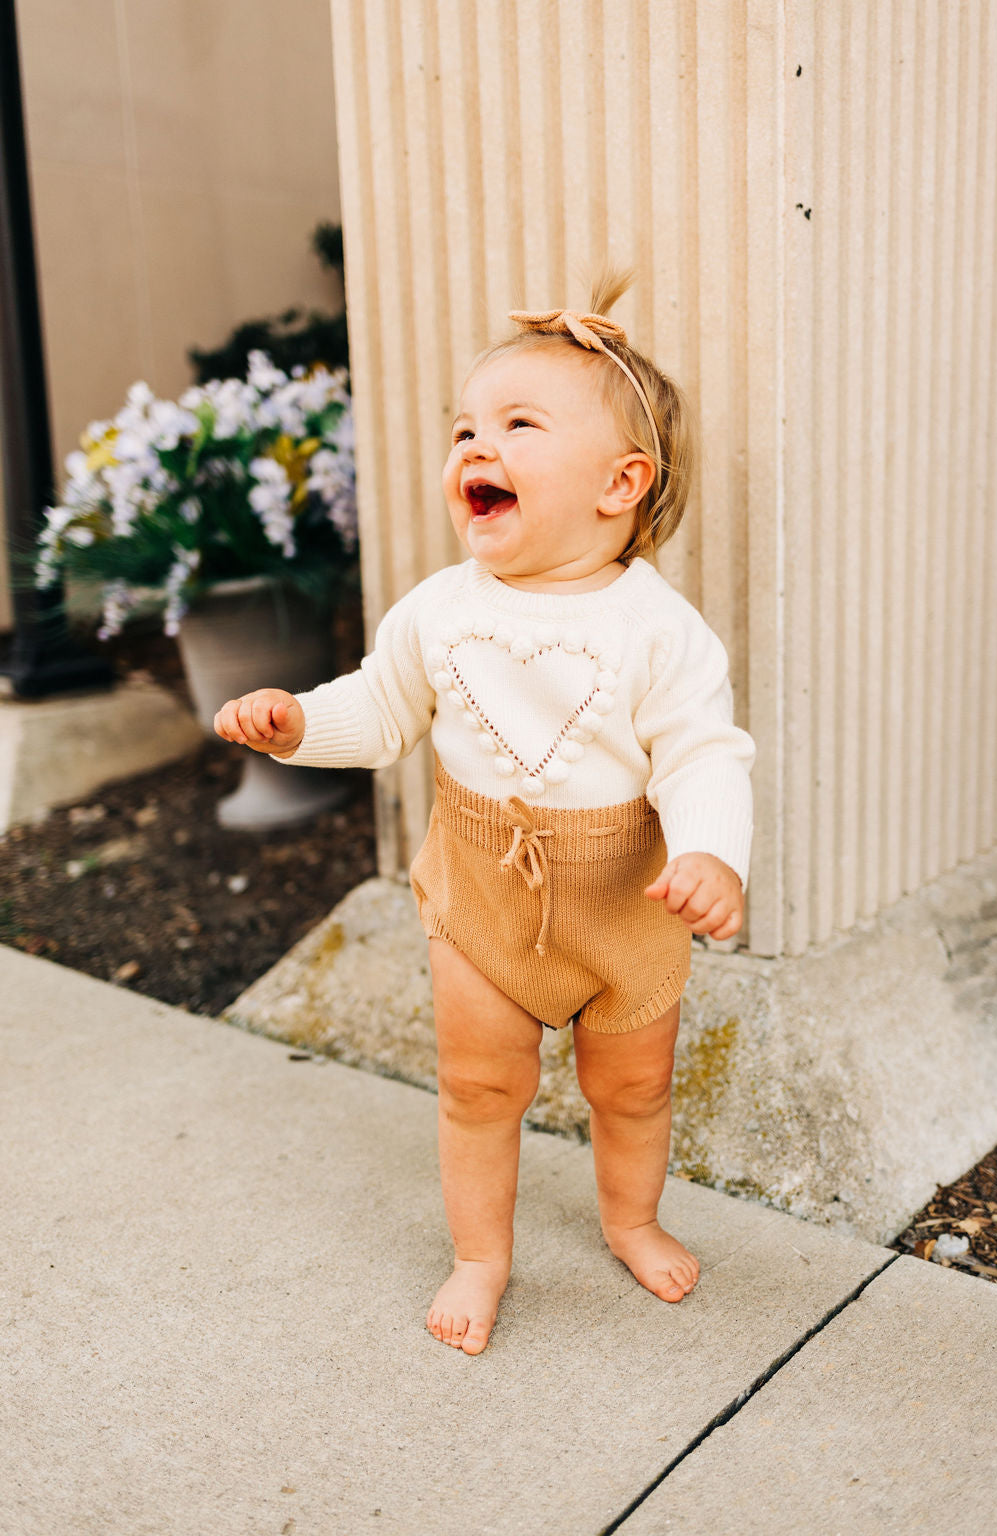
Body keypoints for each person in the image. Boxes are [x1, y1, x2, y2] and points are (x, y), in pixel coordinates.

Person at [214, 274, 755, 1356]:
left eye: (516, 425)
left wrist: (710, 854)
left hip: (625, 902)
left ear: (620, 484)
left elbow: (702, 751)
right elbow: (377, 711)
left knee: (634, 1084)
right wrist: (295, 726)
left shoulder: (659, 630)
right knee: (477, 1082)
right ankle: (480, 1254)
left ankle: (631, 1218)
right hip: (480, 889)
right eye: (465, 426)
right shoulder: (438, 609)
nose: (475, 445)